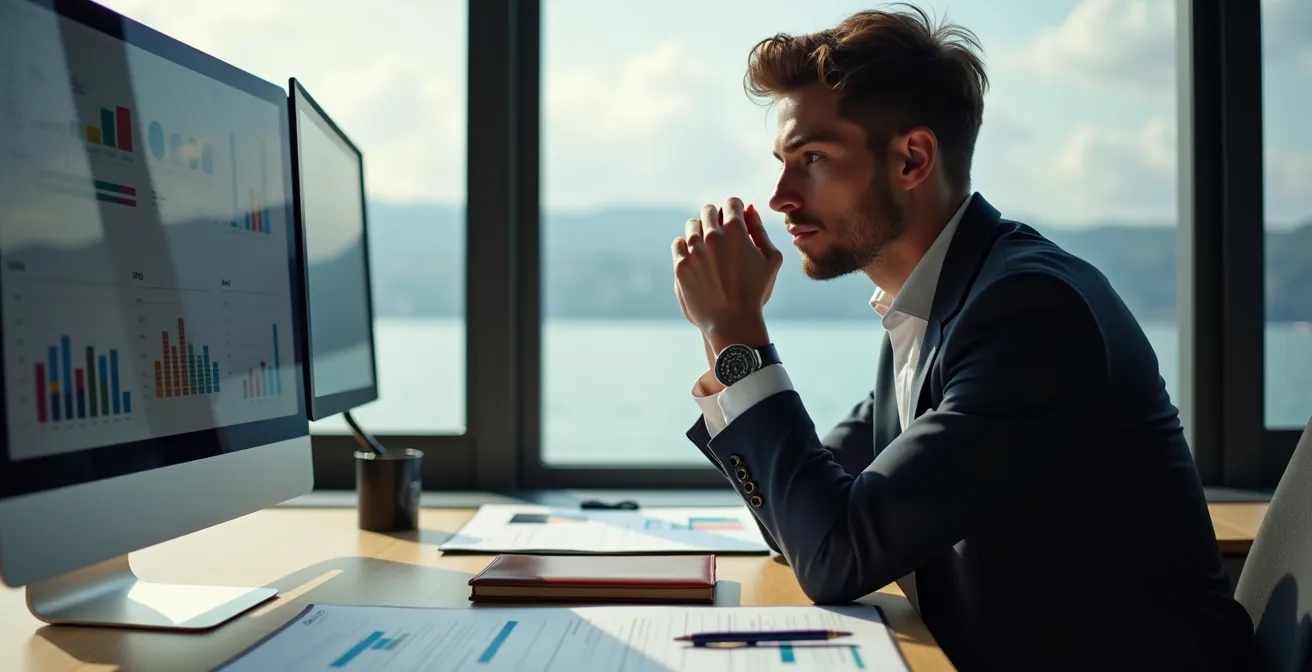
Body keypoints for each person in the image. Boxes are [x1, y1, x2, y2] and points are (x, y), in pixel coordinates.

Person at [670, 6, 1255, 670]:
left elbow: (834, 553)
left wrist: (734, 330)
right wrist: (725, 334)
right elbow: (803, 524)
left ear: (913, 159)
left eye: (812, 159)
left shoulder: (1030, 314)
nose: (779, 195)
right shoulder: (929, 306)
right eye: (782, 161)